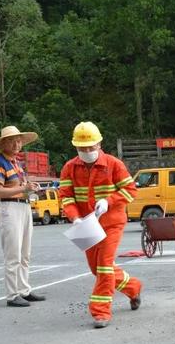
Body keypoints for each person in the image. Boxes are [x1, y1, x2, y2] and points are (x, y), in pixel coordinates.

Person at [58, 121, 142, 328]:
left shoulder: (114, 164)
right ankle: (133, 287)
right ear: (75, 147)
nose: (87, 151)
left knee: (104, 266)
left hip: (112, 223)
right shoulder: (69, 168)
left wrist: (109, 201)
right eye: (82, 148)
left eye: (91, 147)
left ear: (99, 144)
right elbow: (66, 197)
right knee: (97, 269)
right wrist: (74, 217)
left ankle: (100, 312)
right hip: (86, 226)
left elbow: (130, 190)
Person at [0, 126, 46, 307]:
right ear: (3, 143)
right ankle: (12, 294)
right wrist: (24, 188)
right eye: (12, 140)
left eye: (19, 140)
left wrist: (30, 186)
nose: (16, 144)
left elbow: (19, 187)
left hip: (22, 206)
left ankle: (24, 290)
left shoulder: (16, 163)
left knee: (24, 253)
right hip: (8, 208)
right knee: (13, 254)